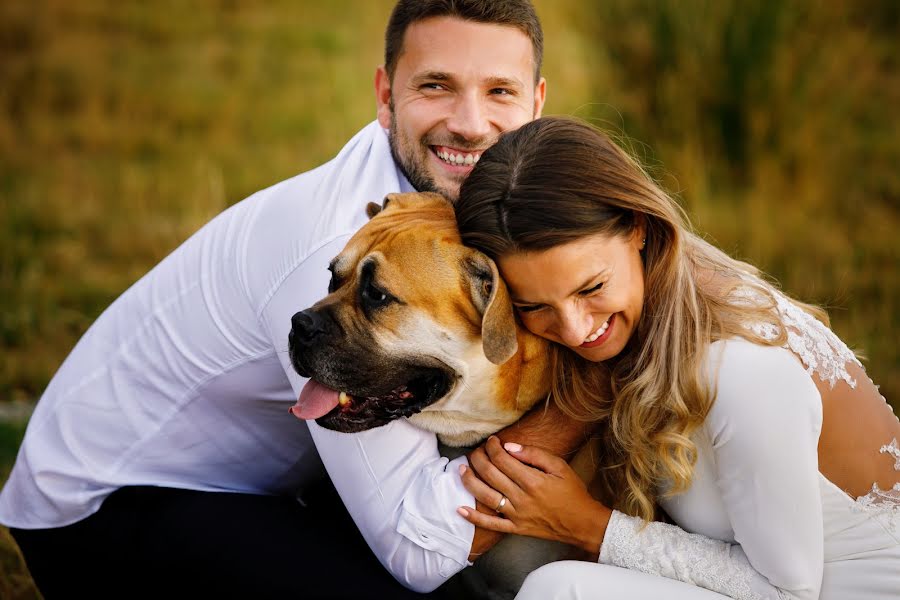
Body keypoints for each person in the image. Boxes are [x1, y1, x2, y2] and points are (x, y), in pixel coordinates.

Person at [0, 3, 593, 598]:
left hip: (270, 486)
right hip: (109, 504)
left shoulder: (485, 195)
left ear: (536, 105)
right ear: (386, 95)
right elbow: (418, 552)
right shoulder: (340, 239)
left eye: (499, 91)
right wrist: (581, 399)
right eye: (436, 85)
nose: (469, 123)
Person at [452, 116, 900, 599]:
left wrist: (589, 525)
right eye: (533, 307)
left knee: (561, 592)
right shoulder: (655, 317)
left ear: (638, 228)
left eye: (592, 288)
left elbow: (789, 592)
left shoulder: (739, 370)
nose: (575, 329)